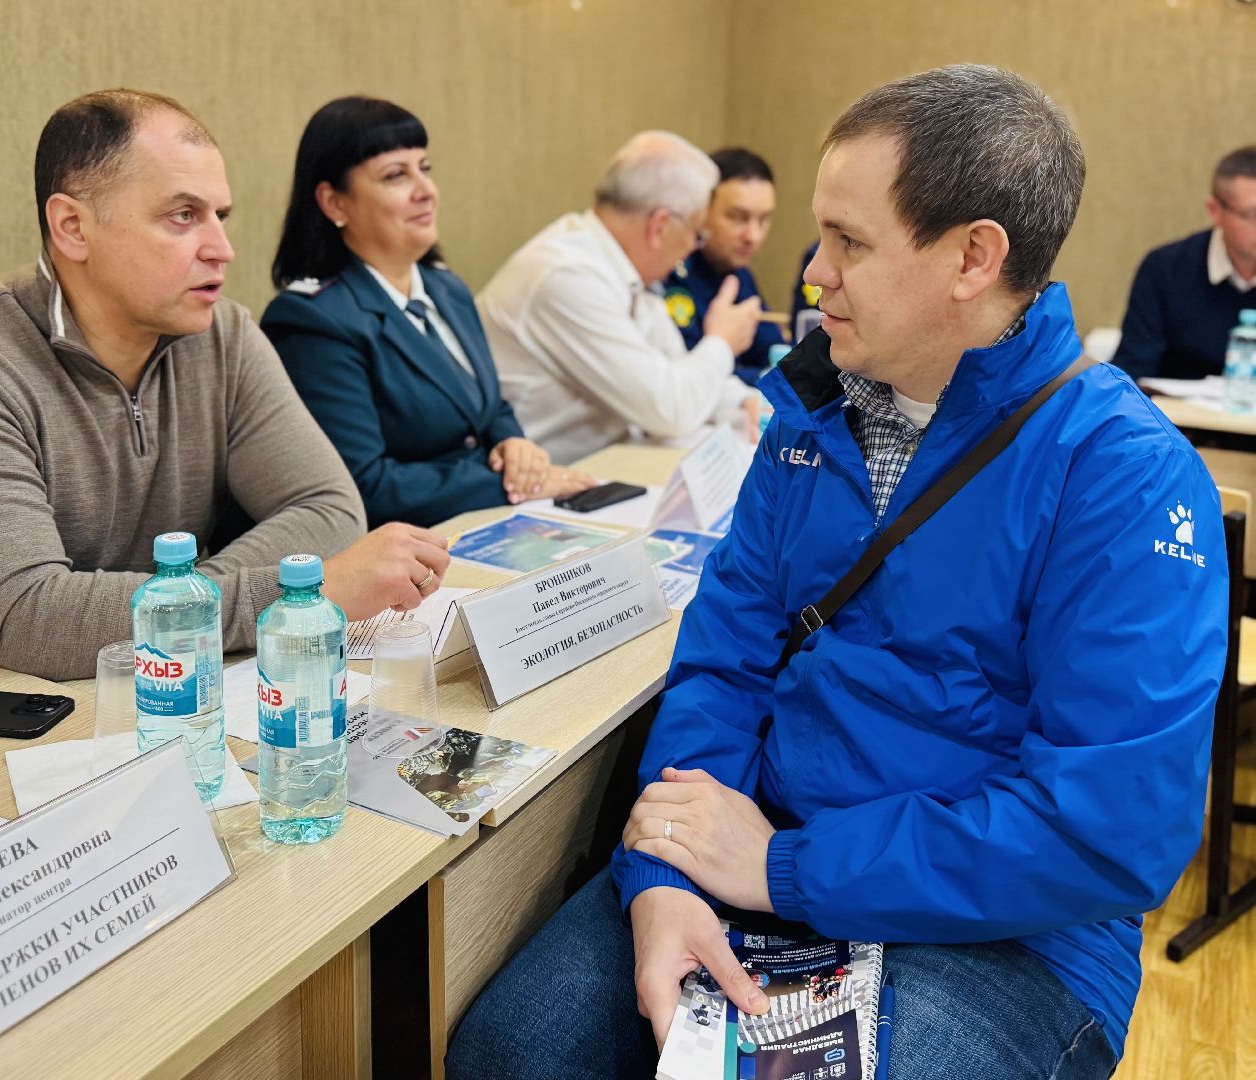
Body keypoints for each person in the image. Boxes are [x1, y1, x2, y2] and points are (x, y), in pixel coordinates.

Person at [447, 65, 1225, 1080]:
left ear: (971, 258)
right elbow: (723, 661)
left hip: (1003, 934)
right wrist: (663, 870)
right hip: (756, 845)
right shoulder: (814, 416)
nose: (811, 273)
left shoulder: (1119, 473)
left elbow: (1106, 829)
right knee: (512, 1053)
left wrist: (781, 869)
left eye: (848, 242)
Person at [0, 89, 451, 681]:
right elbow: (29, 620)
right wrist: (299, 592)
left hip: (157, 680)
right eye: (183, 216)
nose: (222, 249)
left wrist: (190, 603)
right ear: (72, 227)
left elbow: (327, 509)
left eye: (220, 216)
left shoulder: (223, 336)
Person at [261, 97, 593, 528]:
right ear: (334, 203)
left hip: (489, 523)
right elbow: (363, 484)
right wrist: (507, 484)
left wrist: (513, 443)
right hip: (403, 553)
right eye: (396, 175)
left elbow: (486, 407)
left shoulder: (447, 288)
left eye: (425, 168)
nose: (426, 190)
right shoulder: (313, 321)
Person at [478, 131, 763, 464]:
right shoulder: (566, 276)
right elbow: (669, 409)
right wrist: (722, 343)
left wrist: (741, 401)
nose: (691, 249)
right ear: (659, 226)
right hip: (538, 486)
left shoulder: (628, 269)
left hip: (608, 467)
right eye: (696, 234)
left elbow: (675, 367)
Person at [1112, 145, 1256, 379]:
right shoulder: (1164, 269)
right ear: (1215, 211)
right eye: (1252, 215)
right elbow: (1133, 370)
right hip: (1173, 414)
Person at [664, 147, 787, 385]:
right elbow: (685, 372)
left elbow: (773, 352)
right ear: (701, 211)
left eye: (763, 220)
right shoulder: (669, 273)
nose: (753, 236)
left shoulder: (737, 272)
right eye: (738, 217)